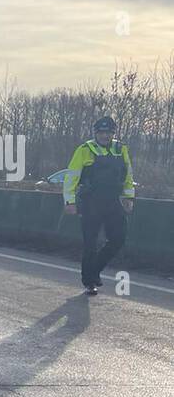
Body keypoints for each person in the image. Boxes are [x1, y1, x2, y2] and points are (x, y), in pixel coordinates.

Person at [64, 115, 135, 295]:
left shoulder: (121, 149)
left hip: (112, 202)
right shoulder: (85, 149)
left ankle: (94, 270)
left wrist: (129, 197)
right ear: (96, 133)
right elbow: (71, 176)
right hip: (90, 203)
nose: (105, 136)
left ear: (113, 133)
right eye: (101, 132)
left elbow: (127, 175)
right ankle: (89, 281)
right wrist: (69, 201)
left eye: (108, 132)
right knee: (90, 243)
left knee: (118, 238)